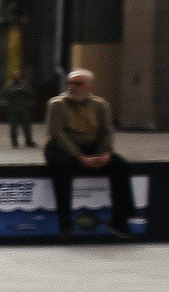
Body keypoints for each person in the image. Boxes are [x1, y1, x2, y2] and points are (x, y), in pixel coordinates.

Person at [43, 68, 142, 239]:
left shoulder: (100, 105)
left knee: (120, 166)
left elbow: (107, 131)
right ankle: (65, 223)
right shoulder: (57, 104)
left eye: (78, 84)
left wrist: (105, 152)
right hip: (62, 148)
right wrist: (79, 157)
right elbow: (57, 134)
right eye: (70, 83)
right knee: (62, 168)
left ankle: (120, 221)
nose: (73, 87)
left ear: (89, 87)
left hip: (92, 146)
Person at [2, 67, 39, 148]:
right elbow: (4, 94)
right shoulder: (8, 85)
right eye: (15, 75)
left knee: (26, 125)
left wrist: (23, 91)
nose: (16, 76)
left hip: (23, 108)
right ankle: (14, 142)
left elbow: (30, 93)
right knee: (13, 126)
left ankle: (29, 141)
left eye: (18, 75)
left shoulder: (24, 84)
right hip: (12, 108)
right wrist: (14, 91)